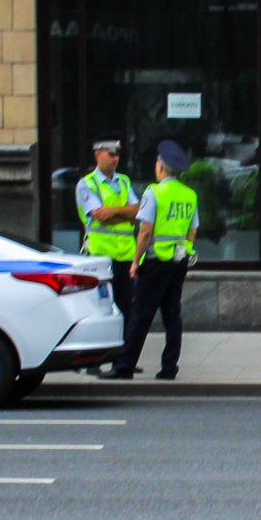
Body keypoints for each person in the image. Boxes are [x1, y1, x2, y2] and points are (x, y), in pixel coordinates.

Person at [99, 139, 198, 381]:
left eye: (156, 162)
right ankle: (169, 368)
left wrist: (136, 260)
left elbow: (145, 231)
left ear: (161, 167)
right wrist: (185, 248)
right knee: (172, 314)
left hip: (155, 260)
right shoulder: (190, 194)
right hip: (179, 259)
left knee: (140, 313)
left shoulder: (154, 192)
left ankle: (125, 366)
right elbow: (193, 229)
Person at [74, 132, 138, 315]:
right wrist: (126, 212)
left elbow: (138, 213)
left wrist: (113, 211)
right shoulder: (87, 184)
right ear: (97, 154)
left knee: (129, 308)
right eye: (111, 154)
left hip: (126, 256)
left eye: (117, 154)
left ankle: (127, 344)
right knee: (104, 309)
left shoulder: (124, 181)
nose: (115, 158)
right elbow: (101, 216)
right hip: (101, 257)